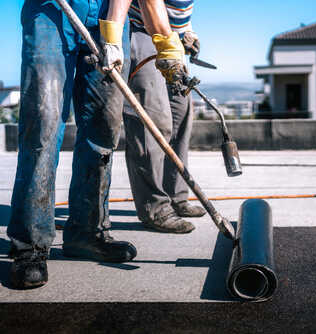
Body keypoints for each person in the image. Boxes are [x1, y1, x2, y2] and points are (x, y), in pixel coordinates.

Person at [8, 0, 185, 290]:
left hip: (106, 13)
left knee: (103, 126)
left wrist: (150, 41)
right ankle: (30, 245)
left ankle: (87, 233)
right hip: (52, 11)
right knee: (44, 122)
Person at [124, 0, 206, 234]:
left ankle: (176, 197)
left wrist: (186, 31)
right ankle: (155, 208)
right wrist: (165, 39)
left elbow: (178, 8)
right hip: (142, 32)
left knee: (181, 117)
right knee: (152, 121)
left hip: (171, 39)